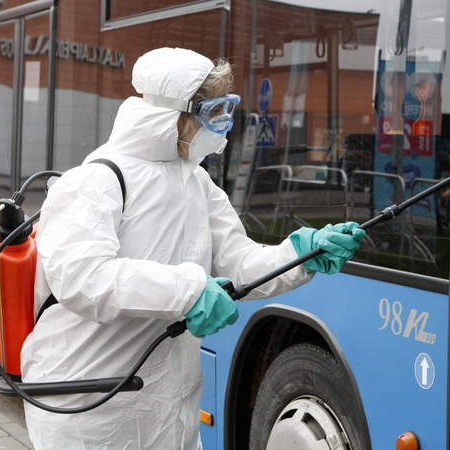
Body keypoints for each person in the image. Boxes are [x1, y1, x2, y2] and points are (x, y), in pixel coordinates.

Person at [20, 47, 365, 449]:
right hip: (92, 408)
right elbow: (83, 279)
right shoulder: (96, 181)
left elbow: (239, 264)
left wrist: (301, 254)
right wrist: (188, 290)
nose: (223, 124)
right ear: (173, 115)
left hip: (168, 411)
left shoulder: (196, 182)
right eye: (213, 111)